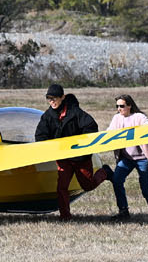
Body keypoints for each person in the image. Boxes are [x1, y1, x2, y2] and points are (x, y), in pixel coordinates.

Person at [35, 84, 109, 220]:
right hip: (63, 157)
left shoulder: (75, 112)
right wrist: (49, 147)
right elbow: (40, 135)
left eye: (54, 98)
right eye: (49, 98)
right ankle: (65, 216)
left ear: (62, 97)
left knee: (88, 185)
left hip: (81, 157)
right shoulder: (47, 116)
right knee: (61, 187)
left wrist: (81, 145)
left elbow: (91, 126)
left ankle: (104, 172)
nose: (51, 101)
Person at [107, 94, 148, 223]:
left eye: (122, 106)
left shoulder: (139, 117)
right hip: (126, 158)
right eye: (117, 106)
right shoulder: (117, 118)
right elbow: (109, 132)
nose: (119, 109)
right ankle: (123, 211)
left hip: (143, 158)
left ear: (129, 105)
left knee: (145, 187)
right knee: (117, 180)